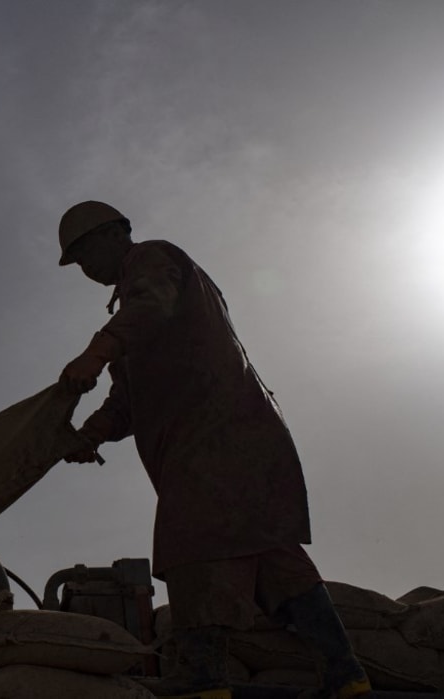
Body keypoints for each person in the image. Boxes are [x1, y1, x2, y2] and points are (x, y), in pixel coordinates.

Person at [56, 201, 370, 699]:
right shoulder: (134, 316)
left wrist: (95, 353)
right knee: (273, 558)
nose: (86, 269)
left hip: (214, 437)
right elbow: (128, 401)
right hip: (233, 440)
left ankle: (204, 680)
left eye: (86, 253)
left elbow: (151, 306)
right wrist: (90, 434)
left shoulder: (153, 262)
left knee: (192, 547)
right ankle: (345, 675)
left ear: (116, 234)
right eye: (77, 263)